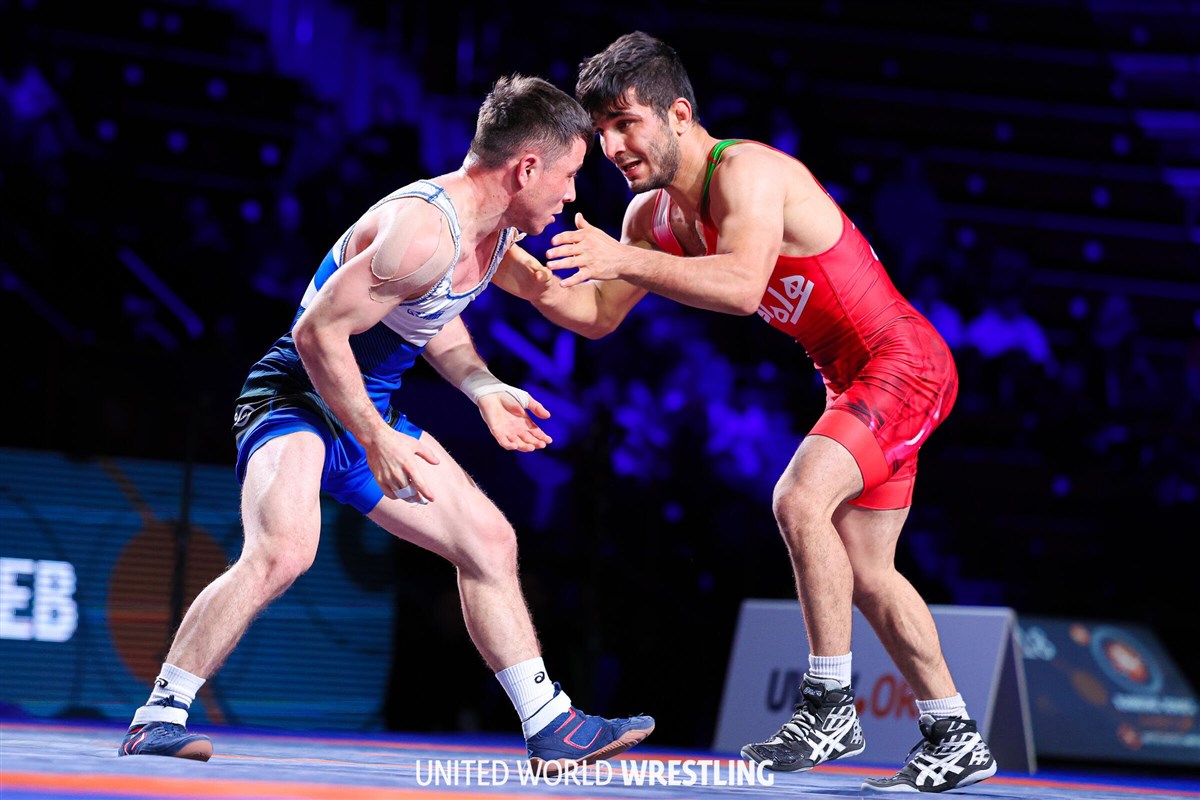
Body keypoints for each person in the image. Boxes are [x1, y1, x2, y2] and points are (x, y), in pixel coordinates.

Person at [117, 74, 654, 775]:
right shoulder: (422, 231)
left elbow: (523, 312)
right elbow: (315, 335)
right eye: (570, 175)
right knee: (284, 550)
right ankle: (157, 717)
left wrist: (485, 384)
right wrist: (374, 436)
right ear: (527, 168)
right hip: (296, 398)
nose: (572, 195)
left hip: (369, 408)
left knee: (490, 541)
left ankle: (550, 725)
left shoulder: (491, 235)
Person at [503, 33, 996, 793]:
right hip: (849, 381)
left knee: (798, 499)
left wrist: (623, 259)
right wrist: (503, 262)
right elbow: (595, 315)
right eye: (601, 129)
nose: (612, 146)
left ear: (678, 113)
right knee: (868, 572)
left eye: (626, 123)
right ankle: (953, 731)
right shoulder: (647, 218)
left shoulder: (749, 172)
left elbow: (739, 287)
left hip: (902, 361)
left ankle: (830, 704)